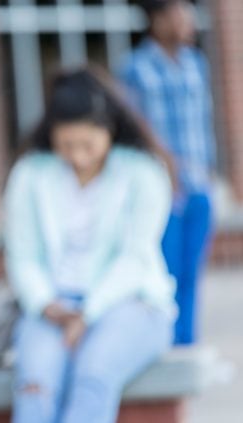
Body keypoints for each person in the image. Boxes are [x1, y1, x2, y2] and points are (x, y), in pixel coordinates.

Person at [3, 66, 177, 423]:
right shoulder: (30, 173)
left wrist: (88, 312)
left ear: (108, 131)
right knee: (35, 385)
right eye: (67, 145)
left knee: (94, 376)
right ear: (53, 135)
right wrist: (48, 305)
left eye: (88, 145)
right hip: (51, 306)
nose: (78, 156)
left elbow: (136, 256)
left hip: (131, 303)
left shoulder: (144, 172)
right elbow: (22, 255)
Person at [117, 0, 216, 345]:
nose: (187, 22)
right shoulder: (134, 68)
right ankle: (162, 345)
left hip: (200, 186)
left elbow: (204, 125)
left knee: (191, 273)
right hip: (162, 192)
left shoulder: (196, 64)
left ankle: (187, 344)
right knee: (166, 273)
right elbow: (131, 131)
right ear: (157, 20)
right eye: (178, 15)